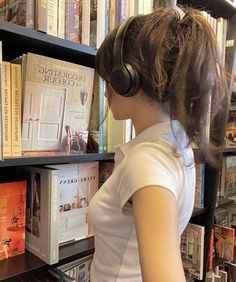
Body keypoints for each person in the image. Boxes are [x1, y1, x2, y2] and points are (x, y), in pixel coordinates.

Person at [88, 5, 228, 282]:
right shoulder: (176, 146)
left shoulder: (147, 162)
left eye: (108, 78)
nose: (106, 89)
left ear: (125, 79)